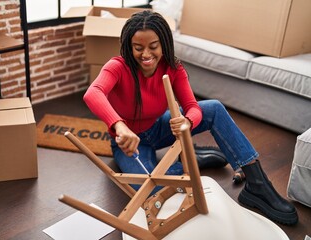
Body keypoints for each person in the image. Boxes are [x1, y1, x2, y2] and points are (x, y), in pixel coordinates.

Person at [83, 10, 298, 225]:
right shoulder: (118, 67)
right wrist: (120, 127)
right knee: (152, 189)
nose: (145, 54)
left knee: (213, 108)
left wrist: (187, 122)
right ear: (129, 46)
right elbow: (93, 93)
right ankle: (189, 159)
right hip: (130, 142)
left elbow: (192, 107)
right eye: (138, 48)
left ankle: (257, 183)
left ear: (164, 43)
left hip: (159, 126)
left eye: (153, 46)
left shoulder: (173, 68)